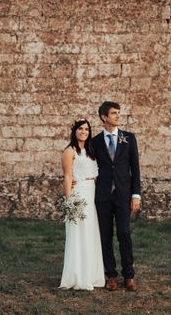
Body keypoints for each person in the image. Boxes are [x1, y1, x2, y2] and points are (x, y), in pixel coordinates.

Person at [92, 101, 142, 292]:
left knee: (124, 233)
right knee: (105, 236)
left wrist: (136, 194)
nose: (117, 116)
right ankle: (111, 275)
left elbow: (134, 168)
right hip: (103, 195)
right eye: (114, 113)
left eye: (118, 113)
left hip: (123, 194)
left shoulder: (128, 138)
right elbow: (85, 161)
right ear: (104, 117)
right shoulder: (95, 141)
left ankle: (129, 275)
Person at [59, 119, 105, 290]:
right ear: (74, 131)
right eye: (80, 129)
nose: (84, 132)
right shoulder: (70, 151)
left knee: (90, 233)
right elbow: (67, 176)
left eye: (87, 129)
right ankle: (78, 275)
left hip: (91, 192)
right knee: (78, 234)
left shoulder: (90, 150)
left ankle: (92, 275)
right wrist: (69, 200)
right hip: (78, 195)